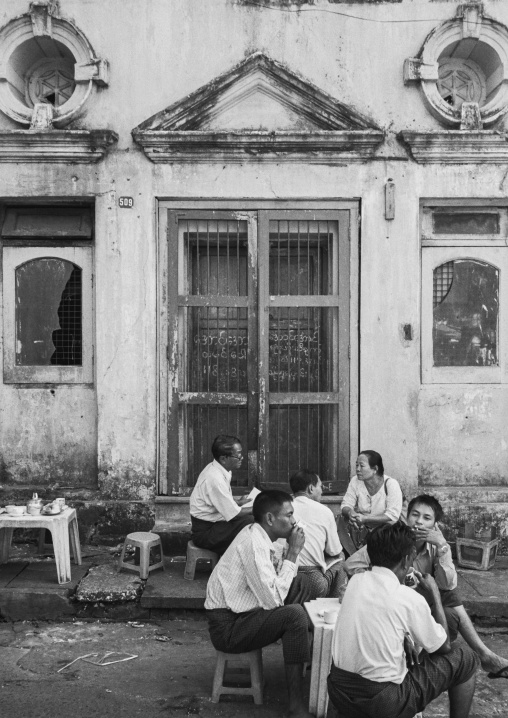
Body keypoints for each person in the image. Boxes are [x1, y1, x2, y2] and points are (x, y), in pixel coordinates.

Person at [345, 494, 508, 678]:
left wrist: (442, 546)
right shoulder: (391, 539)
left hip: (421, 601)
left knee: (451, 602)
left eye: (427, 518)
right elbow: (350, 565)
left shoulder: (436, 545)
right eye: (415, 515)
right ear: (406, 517)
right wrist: (380, 578)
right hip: (393, 603)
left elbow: (447, 584)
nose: (419, 522)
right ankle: (483, 657)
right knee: (450, 607)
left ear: (435, 525)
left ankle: (481, 656)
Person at [328, 522, 479, 718]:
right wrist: (434, 592)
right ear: (407, 559)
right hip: (382, 702)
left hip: (338, 691)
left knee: (409, 652)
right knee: (465, 657)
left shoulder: (356, 582)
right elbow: (445, 647)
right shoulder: (408, 598)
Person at [205, 490, 313, 718]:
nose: (294, 521)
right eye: (289, 515)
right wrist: (293, 553)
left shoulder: (261, 535)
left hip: (244, 614)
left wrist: (289, 557)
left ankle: (303, 656)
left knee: (302, 581)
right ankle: (296, 706)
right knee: (294, 616)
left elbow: (274, 583)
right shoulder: (253, 543)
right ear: (270, 519)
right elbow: (273, 600)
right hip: (229, 628)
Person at [285, 469, 346, 601]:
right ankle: (333, 606)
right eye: (320, 486)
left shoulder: (284, 508)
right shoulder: (324, 511)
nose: (322, 491)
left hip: (286, 577)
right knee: (341, 557)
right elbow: (334, 550)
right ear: (311, 488)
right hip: (313, 581)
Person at [189, 435, 253, 555]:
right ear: (224, 458)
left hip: (215, 524)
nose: (242, 458)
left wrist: (237, 502)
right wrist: (258, 507)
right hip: (205, 533)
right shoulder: (214, 478)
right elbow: (234, 515)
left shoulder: (219, 469)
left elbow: (218, 501)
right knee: (252, 520)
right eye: (238, 455)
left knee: (250, 520)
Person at [338, 449, 404, 554]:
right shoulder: (355, 481)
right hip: (361, 529)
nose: (358, 469)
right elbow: (345, 505)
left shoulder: (391, 484)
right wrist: (351, 513)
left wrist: (366, 518)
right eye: (356, 465)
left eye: (362, 466)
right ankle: (351, 555)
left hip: (385, 531)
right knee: (340, 519)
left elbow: (393, 516)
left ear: (375, 469)